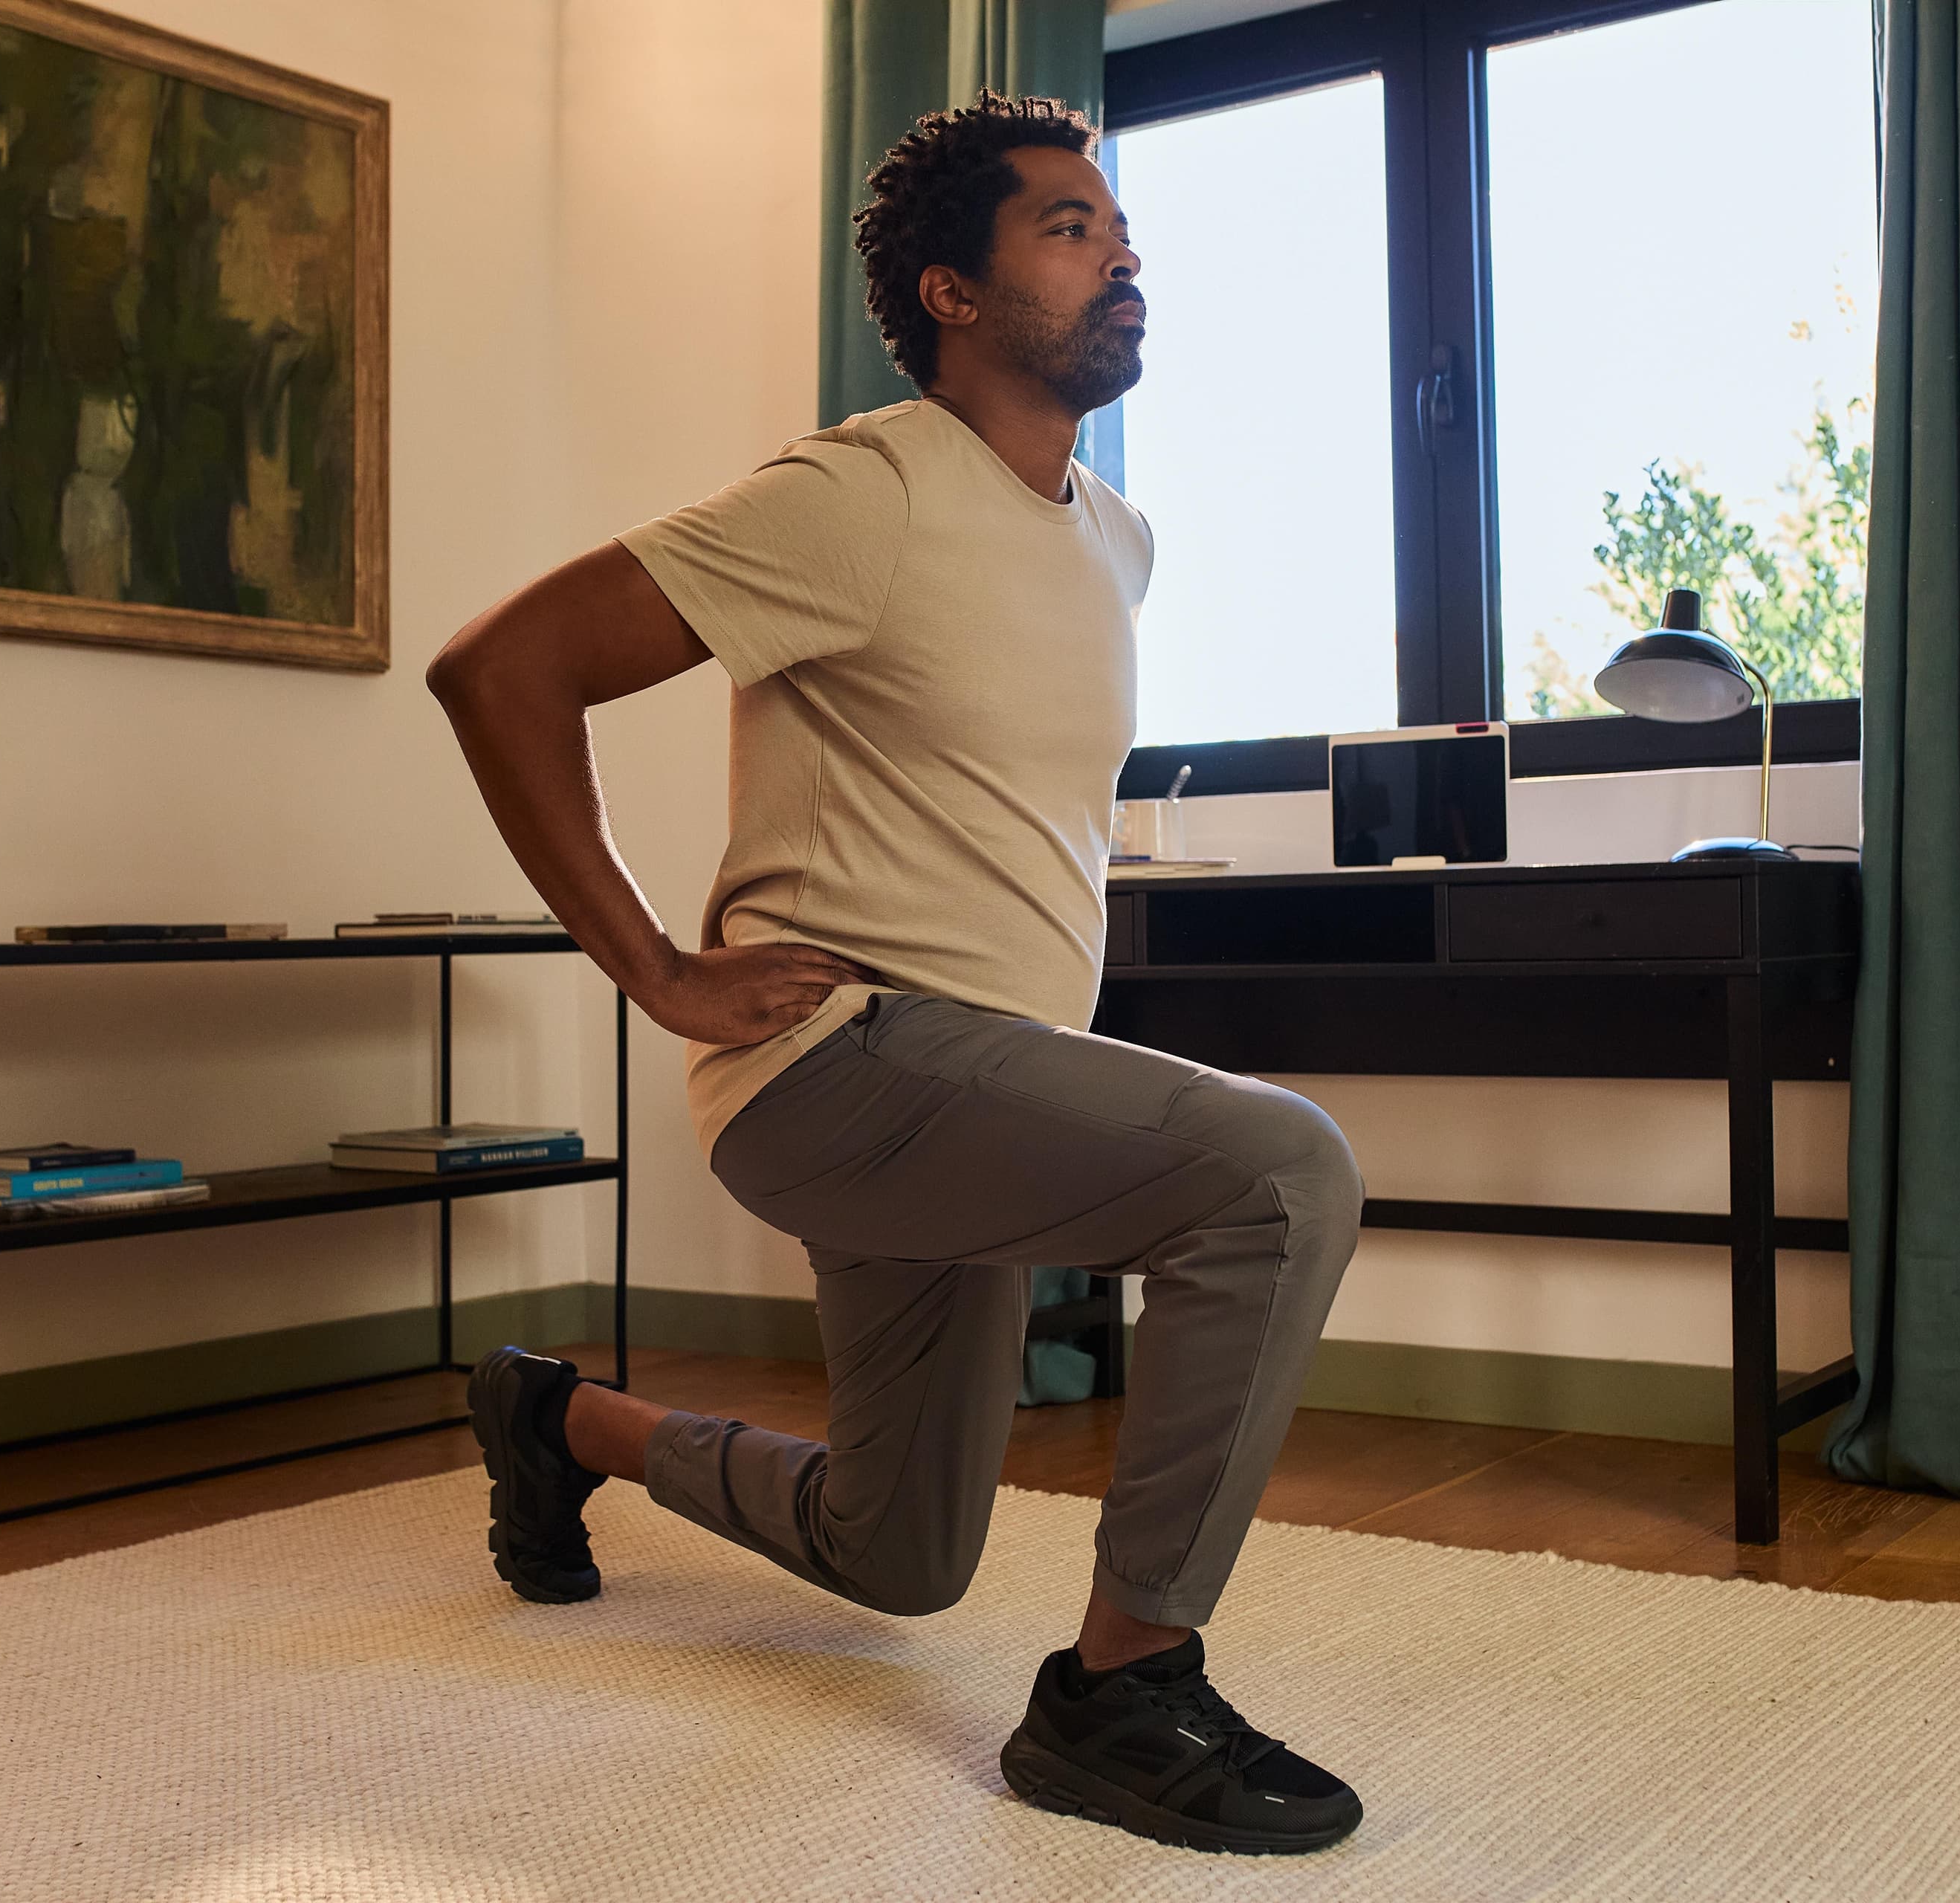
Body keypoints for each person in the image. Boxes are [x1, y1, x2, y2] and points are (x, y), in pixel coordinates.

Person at [426, 91, 1365, 1857]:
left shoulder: (1118, 537)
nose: (1124, 253)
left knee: (903, 1551)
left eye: (1123, 226)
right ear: (951, 289)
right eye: (1071, 229)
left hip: (969, 1083)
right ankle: (1123, 1693)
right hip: (842, 1065)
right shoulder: (861, 490)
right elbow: (504, 667)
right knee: (1281, 1170)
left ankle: (556, 1416)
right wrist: (654, 967)